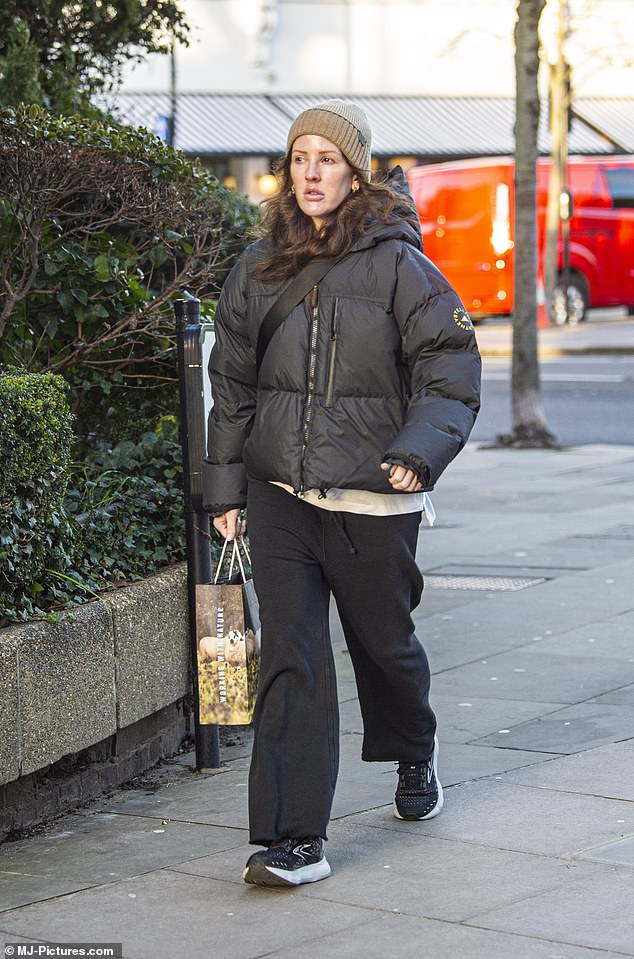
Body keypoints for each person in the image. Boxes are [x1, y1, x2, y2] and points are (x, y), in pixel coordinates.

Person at [203, 100, 481, 887]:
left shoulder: (401, 266)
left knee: (385, 648)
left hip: (372, 496)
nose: (313, 171)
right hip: (281, 493)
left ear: (356, 169)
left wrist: (417, 453)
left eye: (328, 157)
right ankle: (295, 839)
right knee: (291, 657)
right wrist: (225, 488)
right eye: (301, 158)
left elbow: (450, 371)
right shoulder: (260, 266)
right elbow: (233, 387)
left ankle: (415, 749)